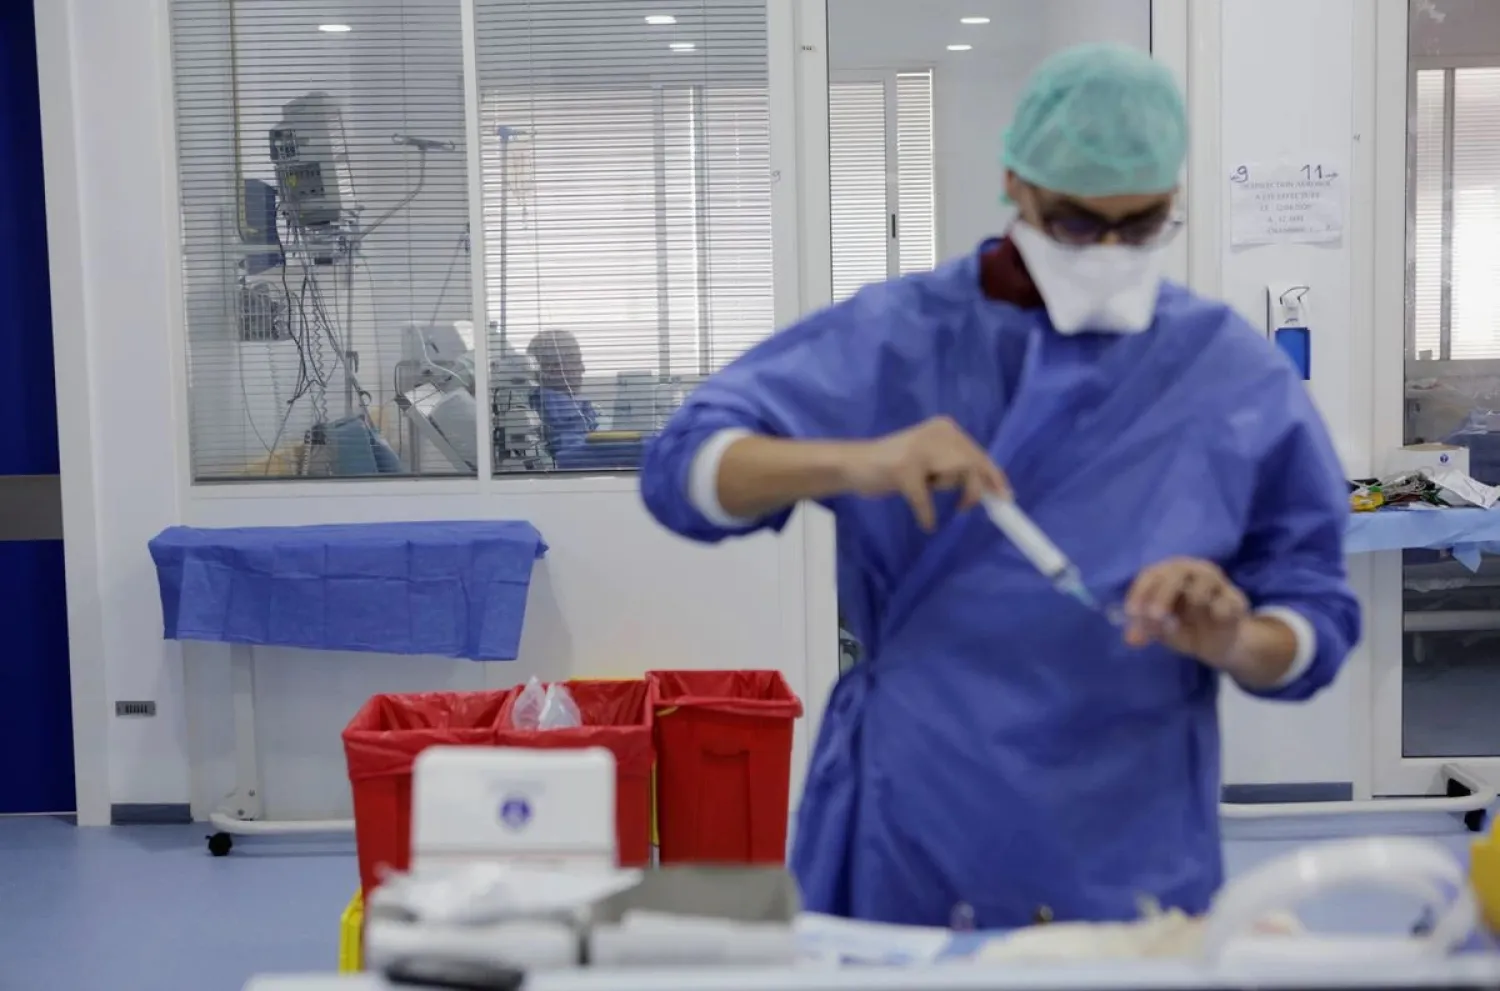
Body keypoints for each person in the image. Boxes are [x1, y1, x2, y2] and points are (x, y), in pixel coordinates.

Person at [640, 43, 1359, 929]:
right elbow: (681, 468)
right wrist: (855, 459)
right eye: (1075, 223)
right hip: (919, 816)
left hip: (1127, 836)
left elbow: (1315, 610)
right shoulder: (903, 337)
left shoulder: (1228, 371)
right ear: (1016, 183)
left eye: (1140, 226)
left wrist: (1238, 637)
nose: (1107, 251)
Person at [527, 329, 599, 456]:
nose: (583, 369)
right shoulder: (559, 411)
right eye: (576, 362)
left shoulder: (573, 407)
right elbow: (579, 455)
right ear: (553, 367)